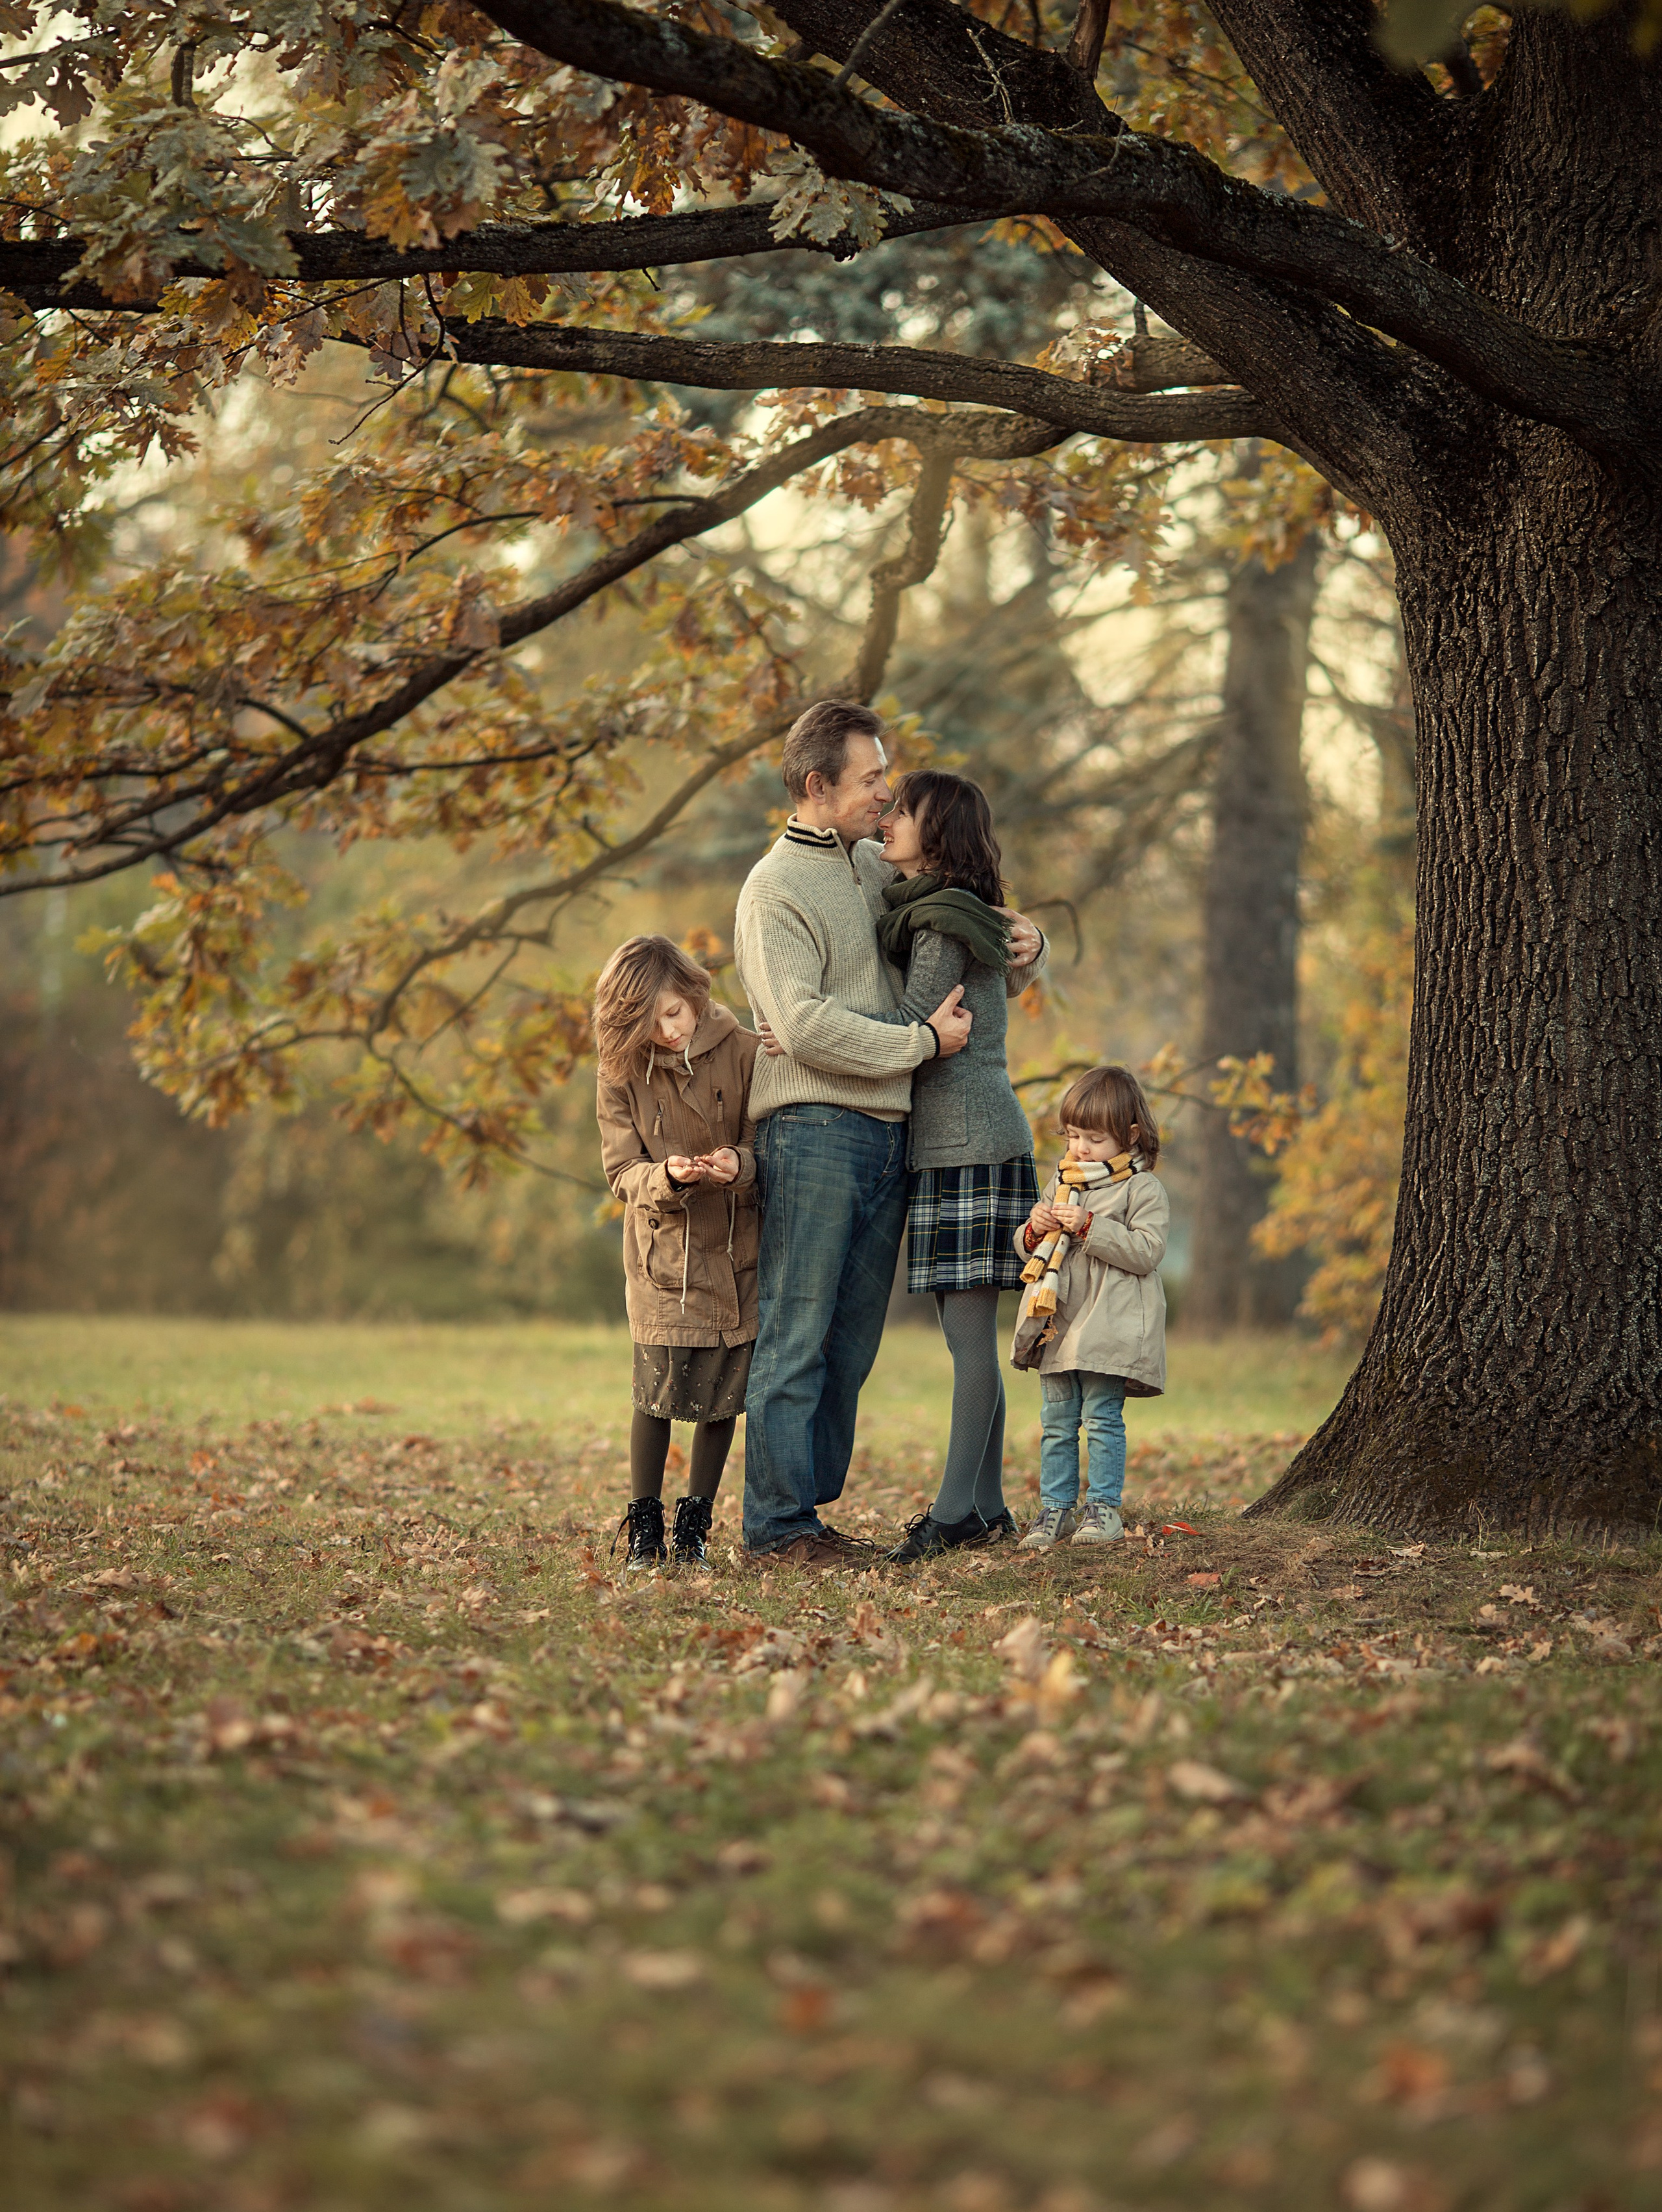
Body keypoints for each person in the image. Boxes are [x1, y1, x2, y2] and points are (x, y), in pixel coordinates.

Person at [733, 699, 1046, 1567]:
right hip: (813, 1127)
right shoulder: (774, 888)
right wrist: (917, 1043)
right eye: (870, 779)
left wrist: (1029, 940)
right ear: (814, 784)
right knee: (796, 1330)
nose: (883, 793)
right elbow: (801, 1021)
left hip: (891, 1133)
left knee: (851, 1338)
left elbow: (963, 911)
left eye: (886, 780)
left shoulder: (873, 864)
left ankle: (809, 1515)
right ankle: (777, 1528)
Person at [869, 771, 1040, 1562]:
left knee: (969, 1338)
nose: (889, 818)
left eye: (904, 812)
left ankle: (951, 1515)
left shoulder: (939, 925)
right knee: (966, 1332)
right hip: (971, 1136)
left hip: (967, 1140)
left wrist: (814, 1022)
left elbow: (912, 1024)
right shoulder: (943, 911)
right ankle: (987, 1507)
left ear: (937, 835)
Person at [593, 935, 759, 1571]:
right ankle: (644, 1527)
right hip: (662, 1256)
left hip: (735, 1247)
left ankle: (694, 1526)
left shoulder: (745, 1051)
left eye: (672, 1013)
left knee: (721, 1395)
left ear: (694, 995)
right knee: (654, 1392)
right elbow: (621, 1170)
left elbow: (765, 1143)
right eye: (647, 1020)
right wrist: (668, 1176)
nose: (665, 1030)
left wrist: (735, 1163)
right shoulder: (619, 1072)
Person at [1014, 1065, 1169, 1550]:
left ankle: (1103, 1508)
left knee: (1102, 1416)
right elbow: (1030, 1251)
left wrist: (1088, 1227)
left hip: (1109, 1324)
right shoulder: (1062, 1182)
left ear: (1130, 1135)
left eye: (1094, 1138)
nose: (1080, 1148)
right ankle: (1055, 1509)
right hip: (1058, 1322)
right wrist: (1033, 1229)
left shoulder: (1142, 1189)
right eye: (1074, 1135)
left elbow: (1147, 1250)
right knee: (1057, 1421)